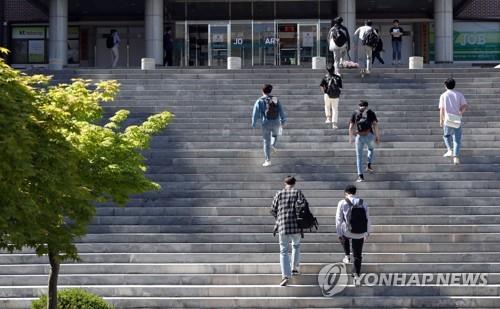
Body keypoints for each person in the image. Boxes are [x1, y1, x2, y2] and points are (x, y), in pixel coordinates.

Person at [271, 176, 309, 286]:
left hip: (282, 225)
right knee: (296, 245)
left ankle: (285, 276)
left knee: (283, 251)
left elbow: (273, 209)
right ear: (294, 183)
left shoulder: (279, 193)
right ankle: (294, 268)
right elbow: (304, 206)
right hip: (296, 225)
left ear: (285, 183)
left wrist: (280, 218)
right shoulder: (298, 192)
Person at [336, 184, 371, 286]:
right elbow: (368, 218)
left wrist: (339, 232)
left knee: (343, 234)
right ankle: (356, 276)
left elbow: (339, 220)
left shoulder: (342, 202)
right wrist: (367, 232)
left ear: (346, 193)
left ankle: (347, 256)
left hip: (347, 231)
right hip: (360, 232)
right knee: (358, 255)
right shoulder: (363, 202)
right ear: (355, 192)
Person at [252, 84, 287, 167]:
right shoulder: (275, 99)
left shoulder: (260, 100)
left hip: (265, 123)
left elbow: (255, 113)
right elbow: (281, 110)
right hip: (276, 122)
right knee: (275, 135)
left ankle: (267, 160)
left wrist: (253, 123)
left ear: (262, 91)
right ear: (270, 91)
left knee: (266, 142)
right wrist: (283, 120)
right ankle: (272, 145)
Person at [349, 100, 381, 182]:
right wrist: (377, 137)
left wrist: (351, 138)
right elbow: (376, 125)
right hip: (369, 136)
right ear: (367, 106)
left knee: (359, 157)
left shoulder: (355, 113)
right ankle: (369, 164)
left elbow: (350, 127)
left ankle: (360, 176)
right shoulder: (371, 113)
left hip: (359, 137)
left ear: (359, 106)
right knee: (371, 149)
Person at [439, 78, 468, 165]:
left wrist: (441, 120)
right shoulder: (459, 94)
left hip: (447, 119)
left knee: (446, 135)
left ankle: (449, 150)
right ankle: (455, 157)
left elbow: (442, 109)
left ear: (445, 86)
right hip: (457, 119)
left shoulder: (443, 95)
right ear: (454, 85)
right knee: (457, 138)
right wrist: (460, 113)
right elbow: (465, 106)